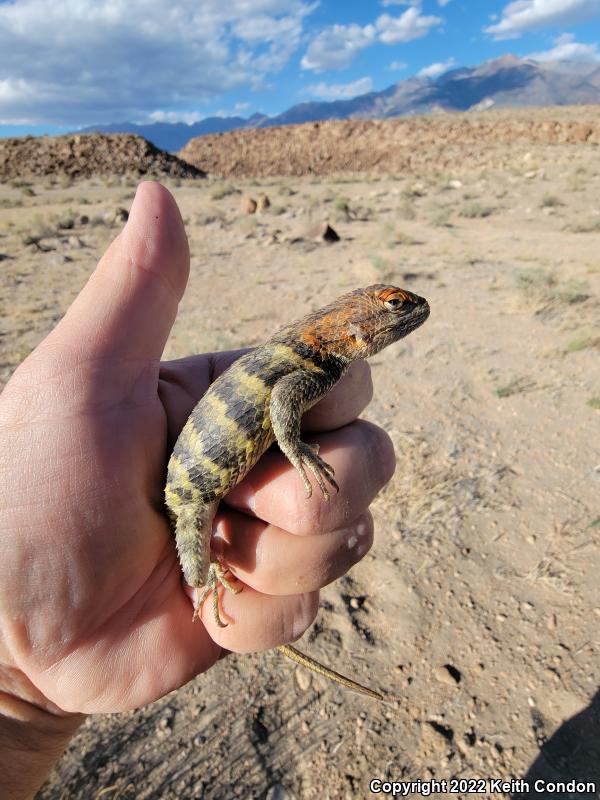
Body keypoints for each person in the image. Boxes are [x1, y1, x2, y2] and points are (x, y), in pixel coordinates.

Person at [0, 182, 395, 799]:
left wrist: (21, 690)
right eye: (393, 307)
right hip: (194, 488)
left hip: (196, 473)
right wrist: (292, 449)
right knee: (205, 549)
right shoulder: (313, 358)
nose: (403, 314)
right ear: (360, 322)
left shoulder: (319, 357)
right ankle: (204, 581)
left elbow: (289, 395)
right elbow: (287, 399)